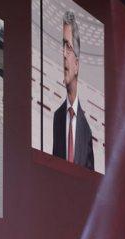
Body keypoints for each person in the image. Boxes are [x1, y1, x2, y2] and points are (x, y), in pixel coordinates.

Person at [52, 10, 94, 170]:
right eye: (62, 46)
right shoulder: (57, 117)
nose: (63, 54)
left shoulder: (87, 132)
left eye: (68, 47)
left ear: (76, 65)